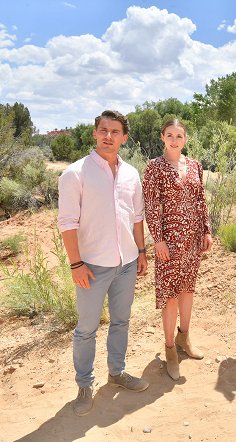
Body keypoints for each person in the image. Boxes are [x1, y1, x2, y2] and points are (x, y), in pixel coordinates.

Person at [58, 110, 149, 417]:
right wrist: (75, 264)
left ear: (124, 137)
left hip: (126, 263)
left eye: (115, 131)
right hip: (92, 266)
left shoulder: (131, 174)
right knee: (86, 329)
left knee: (121, 322)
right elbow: (67, 224)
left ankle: (117, 372)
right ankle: (84, 385)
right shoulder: (75, 174)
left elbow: (137, 218)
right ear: (94, 134)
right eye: (103, 130)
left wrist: (142, 251)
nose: (108, 136)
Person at [142, 119, 213, 381]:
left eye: (179, 135)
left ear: (185, 139)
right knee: (170, 294)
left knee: (187, 289)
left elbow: (200, 199)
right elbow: (150, 205)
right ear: (162, 137)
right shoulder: (154, 167)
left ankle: (185, 338)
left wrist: (206, 230)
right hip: (169, 241)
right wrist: (157, 240)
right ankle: (170, 348)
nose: (174, 140)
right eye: (169, 135)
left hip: (193, 239)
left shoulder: (195, 165)